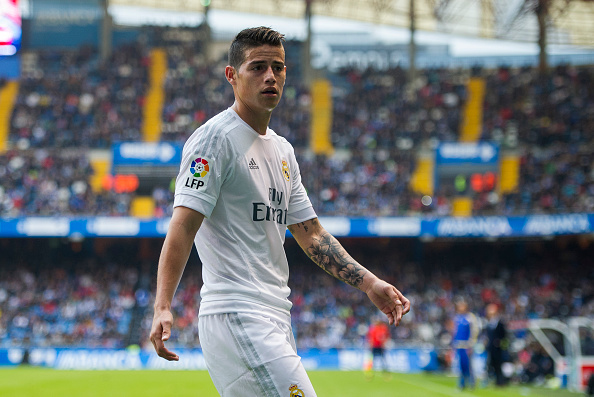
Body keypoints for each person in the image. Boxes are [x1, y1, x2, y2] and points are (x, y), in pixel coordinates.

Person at [149, 26, 411, 397]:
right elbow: (182, 226)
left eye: (278, 67)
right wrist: (162, 306)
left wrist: (369, 283)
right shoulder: (215, 140)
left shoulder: (283, 151)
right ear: (231, 76)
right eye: (257, 67)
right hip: (237, 312)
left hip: (275, 314)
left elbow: (312, 234)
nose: (270, 76)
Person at [451, 299, 478, 390]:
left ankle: (471, 382)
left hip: (467, 345)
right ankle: (462, 384)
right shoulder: (457, 317)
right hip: (459, 345)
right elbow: (455, 331)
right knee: (461, 365)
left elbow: (474, 331)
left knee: (468, 365)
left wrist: (471, 343)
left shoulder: (470, 317)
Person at [485, 303, 507, 386]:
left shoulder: (500, 322)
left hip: (497, 348)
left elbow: (503, 335)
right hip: (491, 348)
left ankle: (500, 381)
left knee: (498, 365)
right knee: (491, 364)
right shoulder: (489, 322)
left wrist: (499, 342)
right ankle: (493, 380)